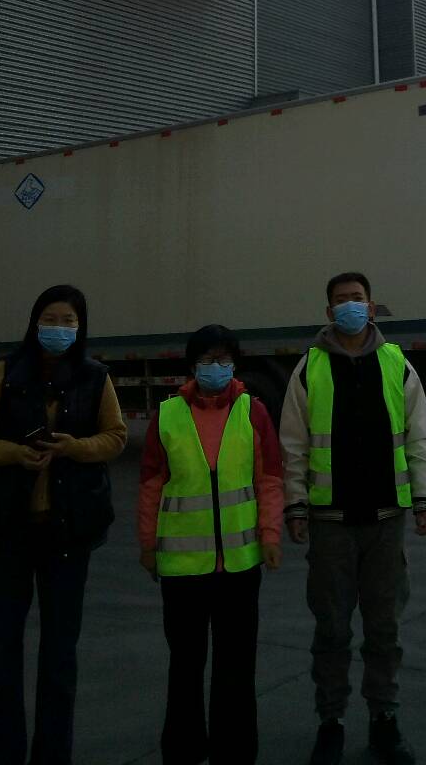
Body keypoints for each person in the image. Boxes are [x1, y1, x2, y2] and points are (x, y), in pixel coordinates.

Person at [0, 284, 127, 765]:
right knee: (1, 656)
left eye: (68, 321)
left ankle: (52, 756)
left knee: (59, 658)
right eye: (50, 319)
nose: (59, 328)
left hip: (67, 534)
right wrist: (15, 453)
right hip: (8, 532)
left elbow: (115, 437)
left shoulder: (95, 377)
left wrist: (75, 447)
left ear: (81, 327)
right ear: (35, 323)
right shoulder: (6, 373)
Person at [279, 272, 426, 765]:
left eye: (357, 298)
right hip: (330, 523)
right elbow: (293, 445)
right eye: (341, 300)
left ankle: (384, 718)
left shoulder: (396, 364)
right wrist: (296, 505)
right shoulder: (309, 368)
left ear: (371, 306)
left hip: (386, 521)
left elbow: (419, 436)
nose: (350, 305)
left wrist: (425, 498)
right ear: (329, 312)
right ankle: (331, 722)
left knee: (384, 629)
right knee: (331, 630)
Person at [138, 324, 284, 765]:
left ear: (235, 364)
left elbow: (269, 478)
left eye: (223, 359)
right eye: (206, 359)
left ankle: (234, 753)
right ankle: (183, 751)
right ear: (192, 365)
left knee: (236, 668)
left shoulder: (253, 412)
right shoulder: (168, 415)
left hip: (239, 567)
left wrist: (270, 534)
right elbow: (151, 484)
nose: (215, 367)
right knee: (185, 666)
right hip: (183, 569)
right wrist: (148, 544)